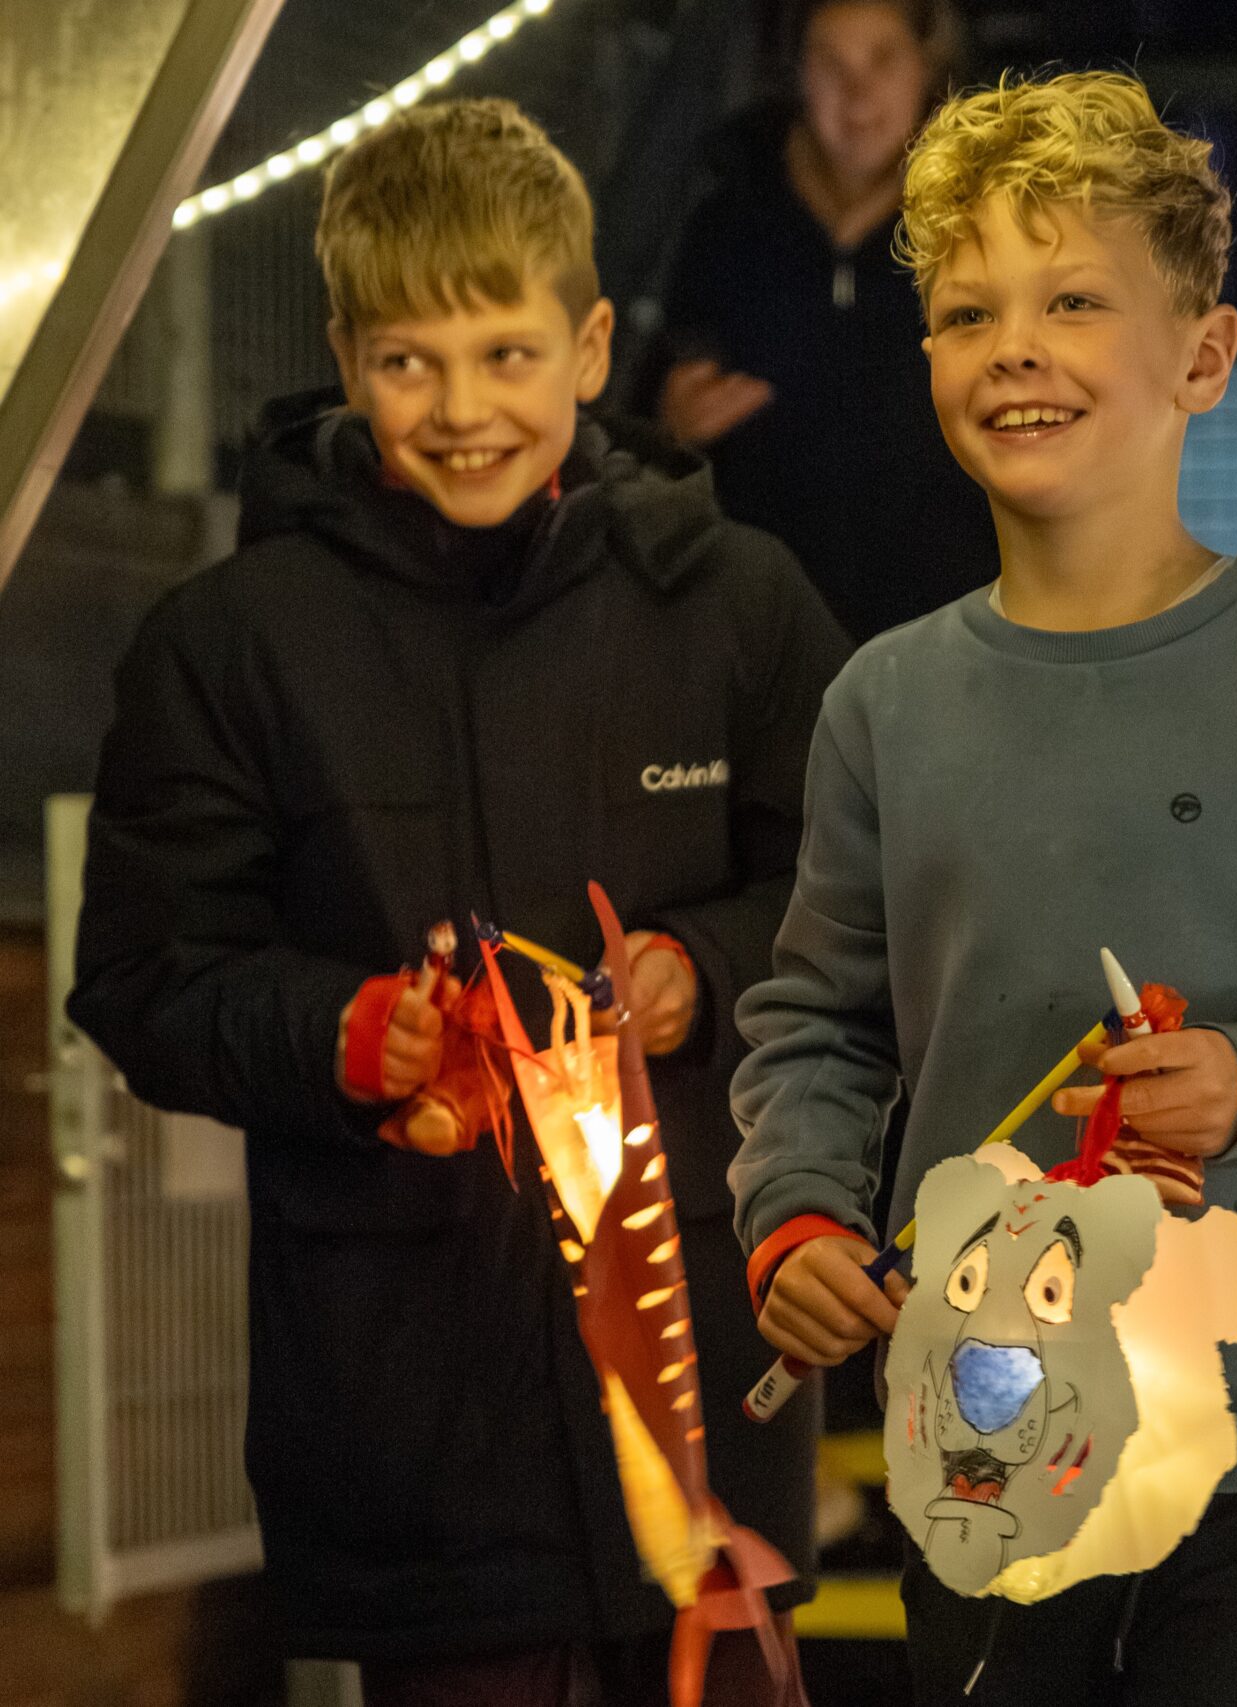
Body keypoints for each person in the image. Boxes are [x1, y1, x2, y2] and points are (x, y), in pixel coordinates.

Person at [725, 71, 1237, 1705]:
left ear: (1205, 357)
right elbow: (819, 1023)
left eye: (1076, 301)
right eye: (970, 313)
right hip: (986, 1411)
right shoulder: (883, 702)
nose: (1015, 346)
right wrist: (795, 1209)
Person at [69, 99, 843, 1705]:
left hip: (705, 1398)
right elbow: (144, 974)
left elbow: (859, 901)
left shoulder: (738, 601)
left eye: (506, 353)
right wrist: (351, 1034)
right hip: (414, 1411)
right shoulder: (231, 643)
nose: (464, 407)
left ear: (591, 347)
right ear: (347, 361)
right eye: (411, 361)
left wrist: (700, 969)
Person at [646, 0, 999, 646]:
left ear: (929, 66)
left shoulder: (990, 228)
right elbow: (636, 418)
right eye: (831, 62)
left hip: (950, 644)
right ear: (796, 73)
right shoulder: (723, 221)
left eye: (882, 59)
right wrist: (671, 426)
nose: (856, 93)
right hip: (755, 644)